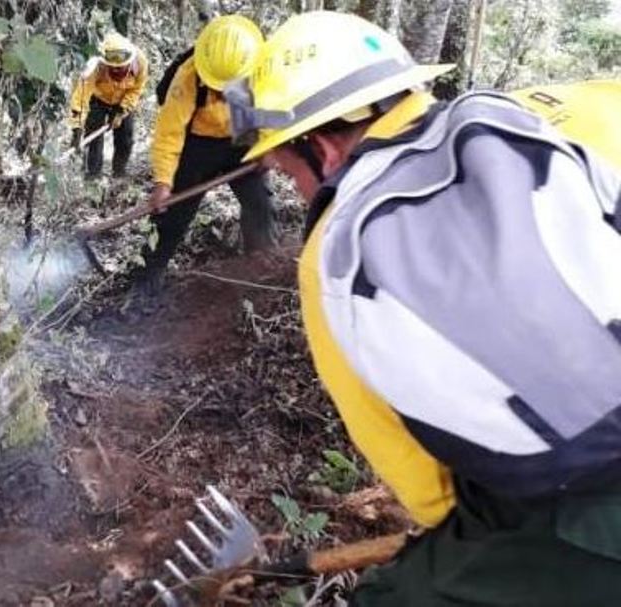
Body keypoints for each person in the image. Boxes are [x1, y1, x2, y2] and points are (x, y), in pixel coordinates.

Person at [226, 11, 621, 606]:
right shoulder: (533, 116)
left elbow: (431, 494)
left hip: (589, 505)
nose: (299, 193)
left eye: (288, 174)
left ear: (324, 148)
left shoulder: (340, 249)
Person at [138, 15, 277, 295]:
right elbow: (169, 132)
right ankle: (148, 277)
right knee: (173, 213)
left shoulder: (265, 69)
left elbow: (275, 107)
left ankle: (261, 270)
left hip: (243, 138)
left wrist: (269, 146)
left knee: (260, 204)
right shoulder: (189, 75)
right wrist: (163, 183)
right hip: (198, 145)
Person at [68, 32, 147, 180]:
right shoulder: (95, 66)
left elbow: (137, 89)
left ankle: (119, 174)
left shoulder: (140, 62)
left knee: (125, 140)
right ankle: (92, 179)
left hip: (123, 101)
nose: (116, 71)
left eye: (121, 67)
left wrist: (122, 110)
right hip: (98, 100)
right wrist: (77, 128)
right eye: (113, 67)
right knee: (93, 140)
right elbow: (81, 96)